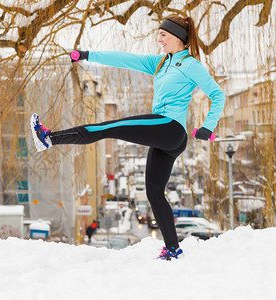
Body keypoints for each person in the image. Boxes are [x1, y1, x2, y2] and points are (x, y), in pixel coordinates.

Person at [30, 15, 225, 260]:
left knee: (112, 126)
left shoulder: (191, 65)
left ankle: (48, 138)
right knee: (154, 193)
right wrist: (90, 55)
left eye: (163, 35)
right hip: (165, 136)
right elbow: (125, 59)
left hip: (170, 127)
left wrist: (208, 126)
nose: (159, 39)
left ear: (177, 37)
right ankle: (173, 249)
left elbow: (218, 95)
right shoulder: (161, 62)